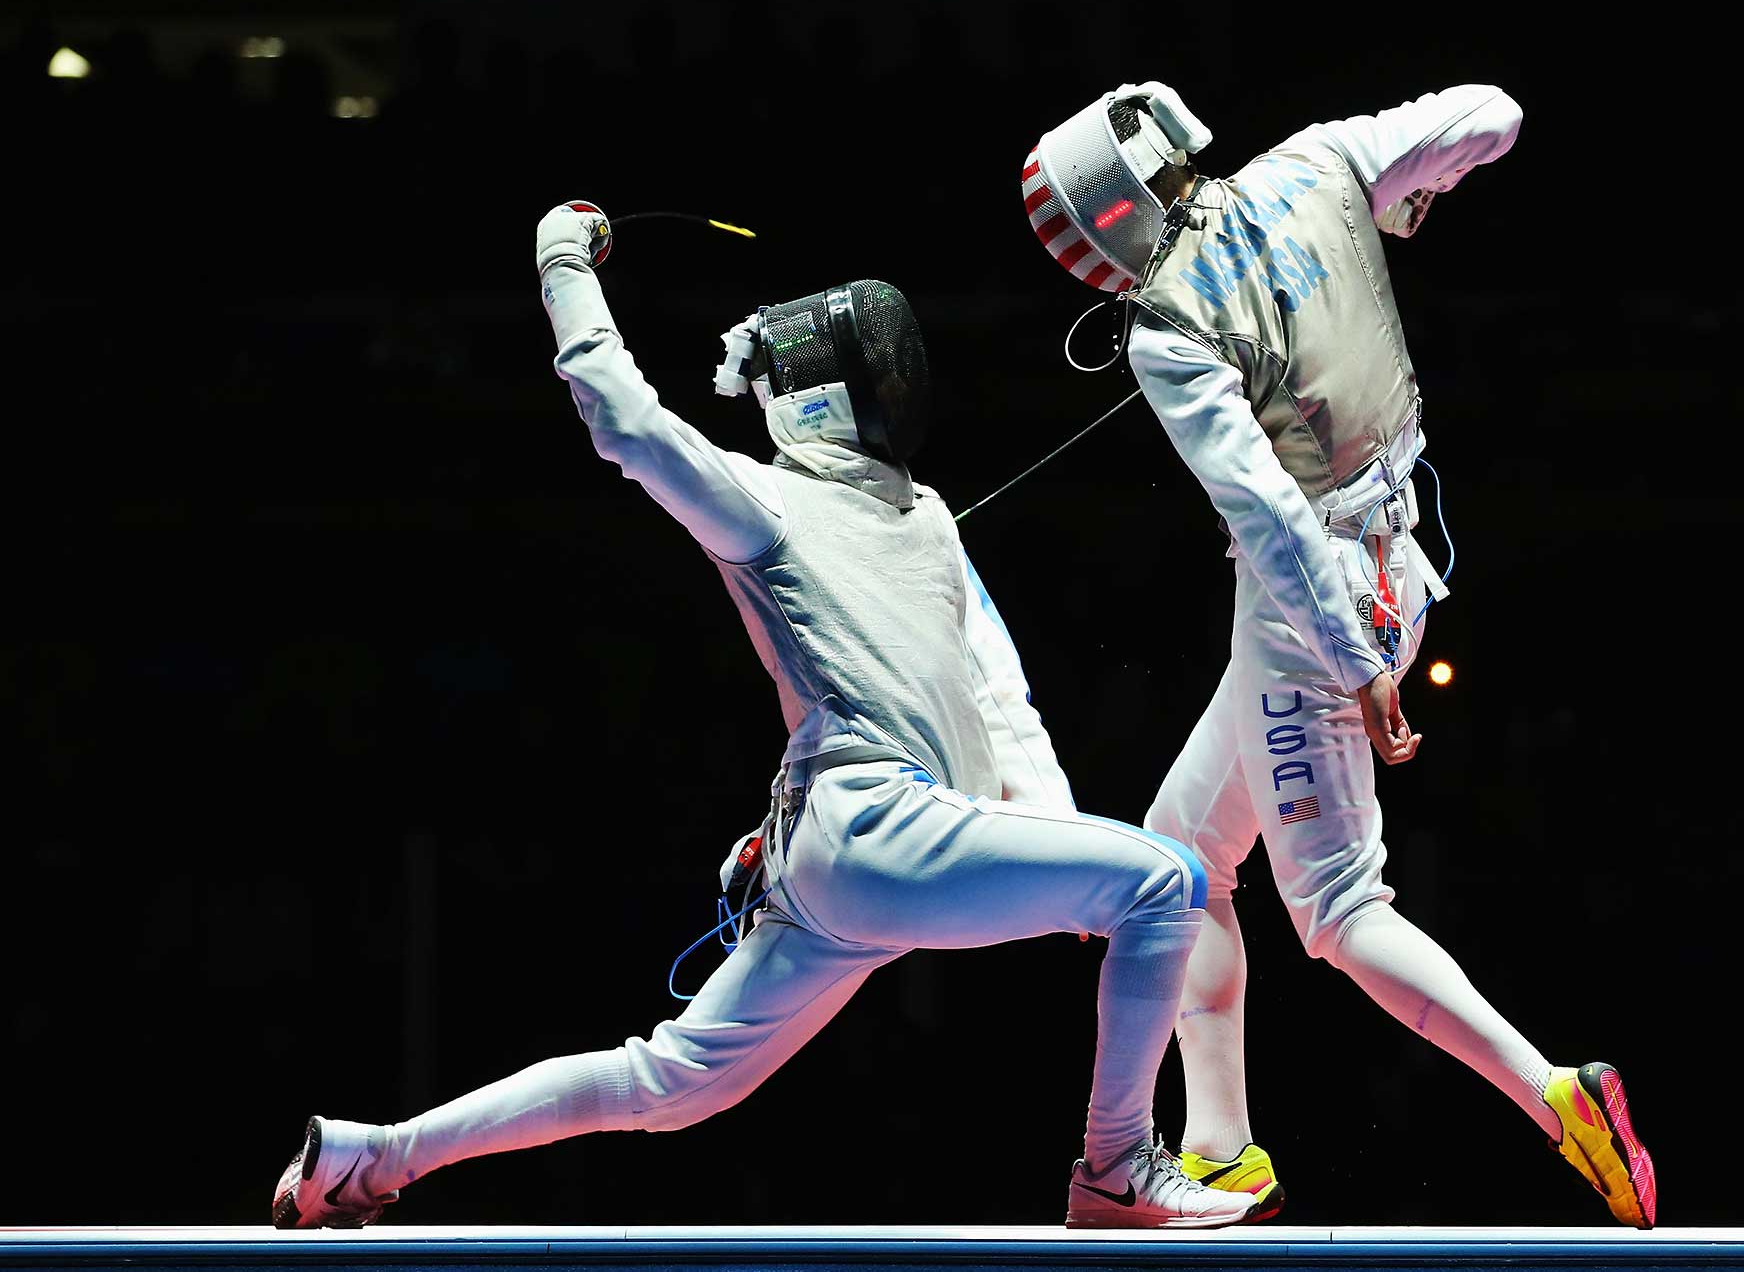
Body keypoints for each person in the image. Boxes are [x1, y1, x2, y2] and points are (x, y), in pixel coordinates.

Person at [269, 201, 1266, 1232]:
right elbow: (622, 417)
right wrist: (562, 262)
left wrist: (1052, 836)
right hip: (876, 832)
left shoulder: (921, 515)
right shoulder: (759, 506)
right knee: (1168, 881)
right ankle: (1113, 1170)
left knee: (671, 1084)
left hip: (853, 855)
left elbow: (993, 694)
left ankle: (374, 1155)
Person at [1020, 85, 1656, 1228]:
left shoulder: (1168, 327)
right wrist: (1411, 192)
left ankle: (1556, 1098)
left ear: (1105, 225)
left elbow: (1264, 510)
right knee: (1178, 863)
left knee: (1335, 909)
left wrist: (1352, 659)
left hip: (1312, 613)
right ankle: (1221, 1149)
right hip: (1399, 565)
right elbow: (1492, 112)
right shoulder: (1316, 160)